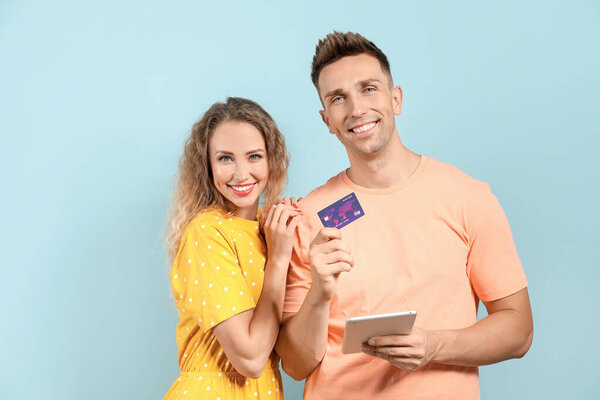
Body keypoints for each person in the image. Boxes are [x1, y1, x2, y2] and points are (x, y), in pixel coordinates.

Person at [275, 32, 533, 399]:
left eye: (369, 89)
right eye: (338, 99)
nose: (357, 109)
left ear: (395, 99)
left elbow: (519, 330)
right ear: (327, 120)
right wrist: (319, 291)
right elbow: (296, 366)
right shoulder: (309, 216)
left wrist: (432, 346)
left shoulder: (468, 197)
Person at [164, 97, 300, 399]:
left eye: (254, 156)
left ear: (271, 160)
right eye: (226, 158)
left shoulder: (271, 229)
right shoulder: (207, 231)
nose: (241, 174)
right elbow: (250, 359)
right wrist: (278, 259)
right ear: (207, 166)